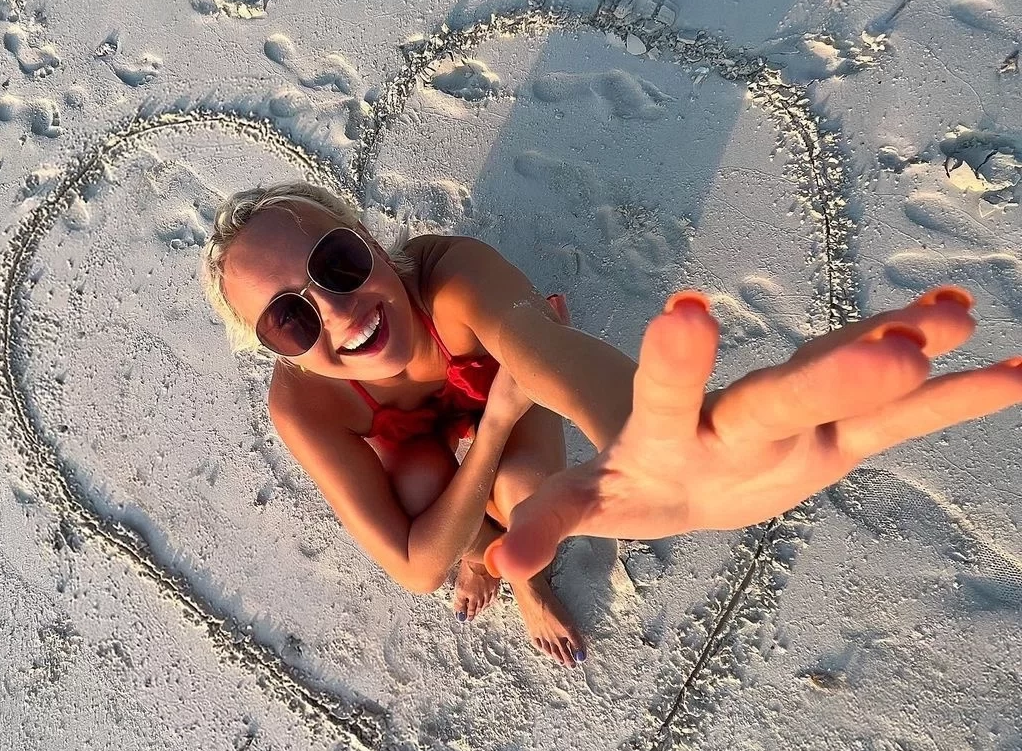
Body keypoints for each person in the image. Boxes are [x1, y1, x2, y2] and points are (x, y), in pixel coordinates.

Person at [200, 180, 1022, 669]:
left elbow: (554, 354)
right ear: (275, 351)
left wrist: (648, 439)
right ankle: (501, 565)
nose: (338, 309)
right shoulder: (304, 403)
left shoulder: (453, 279)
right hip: (465, 427)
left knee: (529, 494)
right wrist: (492, 426)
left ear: (372, 242)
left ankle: (516, 566)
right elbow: (413, 566)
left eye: (337, 262)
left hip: (505, 399)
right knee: (420, 486)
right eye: (289, 319)